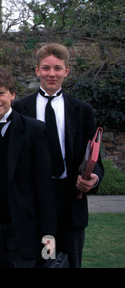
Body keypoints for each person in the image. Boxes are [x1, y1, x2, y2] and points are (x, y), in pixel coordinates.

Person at [13, 43, 104, 268]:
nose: (51, 74)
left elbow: (95, 157)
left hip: (70, 199)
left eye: (57, 68)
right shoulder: (19, 109)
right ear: (37, 71)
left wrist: (93, 179)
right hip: (33, 201)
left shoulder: (82, 110)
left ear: (67, 71)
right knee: (40, 261)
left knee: (71, 262)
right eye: (46, 68)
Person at [0, 65, 57, 268]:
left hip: (23, 229)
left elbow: (44, 186)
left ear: (13, 94)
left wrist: (49, 232)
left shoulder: (34, 130)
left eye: (1, 93)